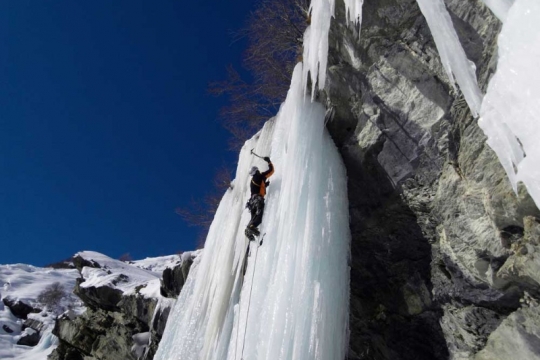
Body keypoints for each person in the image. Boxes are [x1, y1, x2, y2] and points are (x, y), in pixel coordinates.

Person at [245, 156, 274, 240]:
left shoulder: (252, 181)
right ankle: (252, 227)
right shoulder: (260, 176)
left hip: (251, 203)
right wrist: (268, 161)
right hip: (258, 200)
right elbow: (271, 171)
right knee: (259, 217)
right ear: (256, 171)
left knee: (254, 218)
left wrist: (265, 185)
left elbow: (257, 188)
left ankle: (248, 228)